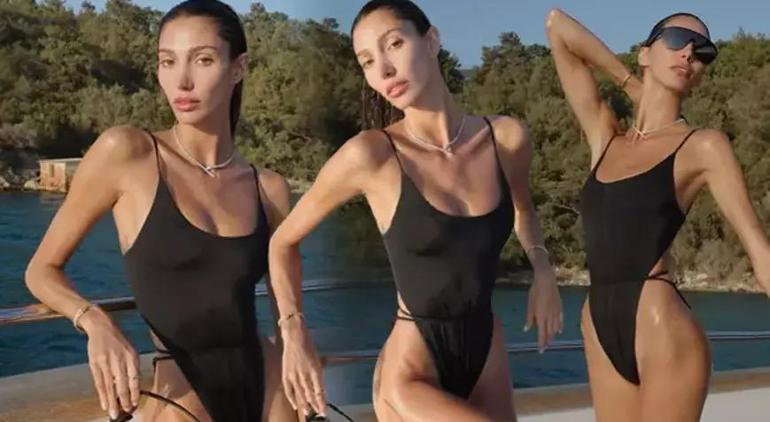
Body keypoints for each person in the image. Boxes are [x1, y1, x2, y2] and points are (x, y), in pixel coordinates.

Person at [268, 1, 563, 420]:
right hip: (412, 371)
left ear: (432, 41)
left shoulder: (506, 139)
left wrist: (543, 269)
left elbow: (523, 209)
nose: (384, 70)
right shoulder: (372, 155)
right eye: (368, 61)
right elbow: (282, 242)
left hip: (487, 354)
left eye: (394, 44)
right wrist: (294, 332)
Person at [24, 1, 295, 420]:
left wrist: (297, 344)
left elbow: (285, 302)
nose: (182, 81)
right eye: (168, 62)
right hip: (178, 390)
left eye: (203, 60)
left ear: (238, 68)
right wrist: (94, 321)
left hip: (268, 381)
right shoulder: (128, 153)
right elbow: (41, 270)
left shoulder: (269, 188)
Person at [546, 9, 770, 421]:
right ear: (644, 53)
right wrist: (629, 82)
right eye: (678, 39)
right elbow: (557, 26)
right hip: (598, 323)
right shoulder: (605, 138)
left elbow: (760, 252)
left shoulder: (702, 146)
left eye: (703, 51)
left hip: (659, 323)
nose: (689, 53)